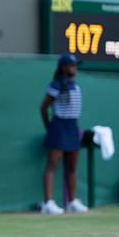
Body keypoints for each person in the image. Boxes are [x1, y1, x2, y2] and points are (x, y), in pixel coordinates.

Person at [40, 54, 89, 215]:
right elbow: (43, 107)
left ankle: (72, 202)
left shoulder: (75, 86)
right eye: (72, 65)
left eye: (75, 65)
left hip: (73, 126)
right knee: (52, 165)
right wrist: (50, 126)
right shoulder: (55, 85)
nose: (75, 68)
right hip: (59, 126)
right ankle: (48, 204)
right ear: (63, 67)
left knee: (72, 167)